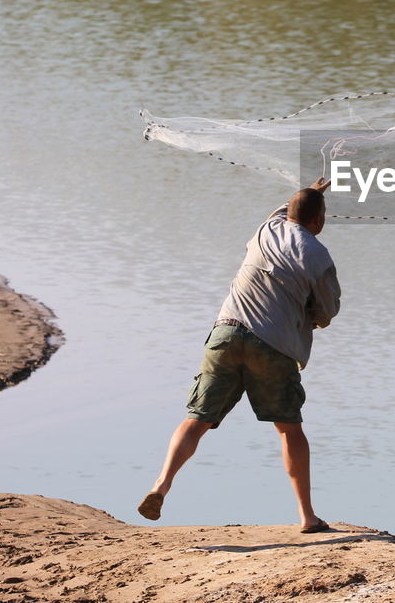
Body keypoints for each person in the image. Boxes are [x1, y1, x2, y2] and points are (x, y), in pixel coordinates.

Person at [137, 178, 340, 533]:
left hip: (226, 333)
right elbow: (327, 311)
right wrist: (306, 311)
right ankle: (307, 516)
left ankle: (161, 484)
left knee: (197, 418)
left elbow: (288, 210)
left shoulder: (267, 228)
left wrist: (312, 193)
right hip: (273, 346)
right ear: (319, 222)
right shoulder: (318, 255)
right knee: (290, 429)